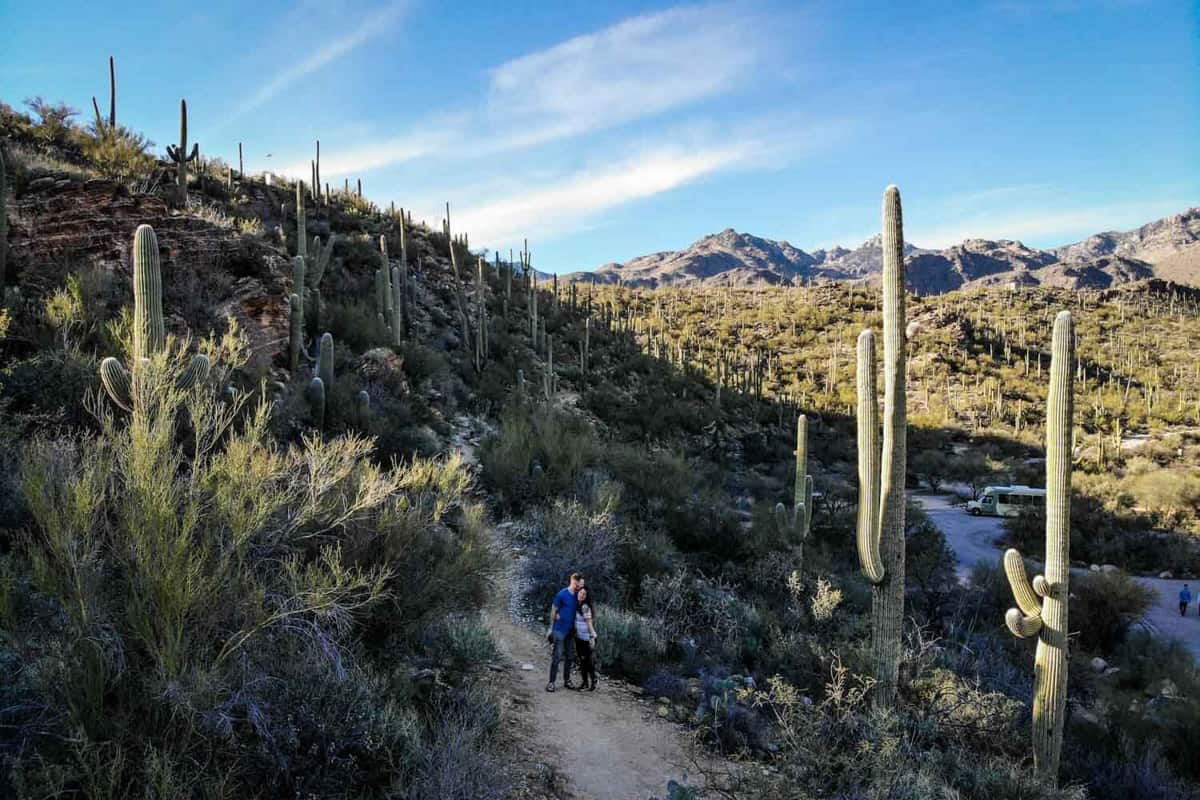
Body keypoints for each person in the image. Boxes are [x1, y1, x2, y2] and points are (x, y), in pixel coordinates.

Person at [546, 572, 582, 692]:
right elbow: (553, 610)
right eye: (576, 582)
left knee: (570, 657)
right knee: (557, 656)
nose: (577, 585)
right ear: (572, 581)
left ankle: (567, 680)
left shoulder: (578, 596)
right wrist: (550, 628)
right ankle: (551, 682)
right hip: (559, 630)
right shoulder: (562, 594)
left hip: (571, 631)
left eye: (578, 583)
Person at [573, 585, 599, 691]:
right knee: (583, 661)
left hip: (587, 638)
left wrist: (592, 637)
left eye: (584, 594)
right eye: (580, 593)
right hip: (579, 638)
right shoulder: (576, 605)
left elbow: (589, 624)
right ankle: (586, 682)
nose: (582, 595)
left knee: (586, 662)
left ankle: (592, 681)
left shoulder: (585, 607)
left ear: (586, 596)